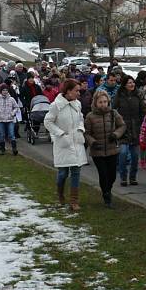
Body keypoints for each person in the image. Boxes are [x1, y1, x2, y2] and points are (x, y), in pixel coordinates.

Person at [44, 79, 88, 211]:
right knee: (63, 172)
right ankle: (60, 195)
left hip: (76, 142)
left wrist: (81, 129)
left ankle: (74, 201)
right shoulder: (56, 105)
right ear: (68, 91)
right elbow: (48, 122)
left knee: (76, 171)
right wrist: (60, 134)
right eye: (76, 90)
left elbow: (80, 118)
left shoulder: (77, 104)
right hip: (63, 143)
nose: (78, 93)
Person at [84, 89, 126, 209]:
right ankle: (106, 196)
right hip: (98, 151)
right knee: (103, 174)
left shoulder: (113, 113)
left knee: (112, 175)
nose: (103, 104)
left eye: (105, 101)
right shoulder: (90, 116)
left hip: (112, 149)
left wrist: (116, 134)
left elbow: (122, 125)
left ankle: (108, 189)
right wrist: (92, 142)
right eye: (100, 102)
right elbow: (86, 133)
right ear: (95, 103)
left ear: (108, 101)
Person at [114, 75, 146, 187]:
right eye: (129, 83)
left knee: (135, 156)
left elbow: (143, 111)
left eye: (133, 82)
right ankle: (123, 177)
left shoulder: (138, 95)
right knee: (123, 153)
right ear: (124, 84)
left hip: (135, 129)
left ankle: (133, 177)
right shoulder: (119, 96)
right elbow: (114, 110)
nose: (132, 84)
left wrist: (142, 124)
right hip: (123, 128)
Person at [0, 83, 19, 155]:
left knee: (11, 134)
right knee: (2, 134)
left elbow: (16, 107)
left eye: (6, 90)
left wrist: (12, 114)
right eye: (3, 90)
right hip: (1, 120)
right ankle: (2, 149)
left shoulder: (11, 99)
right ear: (1, 91)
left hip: (10, 119)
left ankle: (14, 148)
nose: (5, 91)